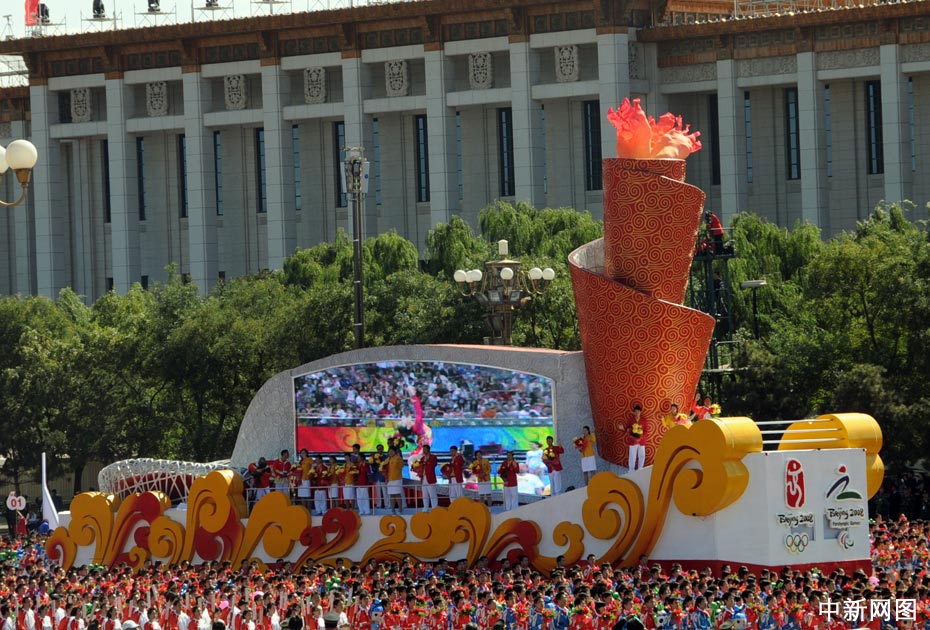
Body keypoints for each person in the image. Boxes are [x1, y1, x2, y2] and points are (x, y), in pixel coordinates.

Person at [414, 444, 438, 511]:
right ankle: (425, 508)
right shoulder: (422, 458)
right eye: (423, 449)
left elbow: (433, 465)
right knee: (425, 494)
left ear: (428, 449)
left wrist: (426, 462)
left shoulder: (433, 457)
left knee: (432, 494)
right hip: (423, 478)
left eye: (425, 449)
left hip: (430, 478)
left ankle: (434, 508)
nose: (424, 451)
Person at [382, 446, 405, 515]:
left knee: (397, 494)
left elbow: (402, 466)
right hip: (390, 479)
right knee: (391, 495)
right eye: (389, 451)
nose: (390, 452)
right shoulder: (388, 459)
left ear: (395, 452)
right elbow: (383, 467)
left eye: (392, 451)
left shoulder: (398, 458)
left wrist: (397, 462)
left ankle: (400, 510)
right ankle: (393, 510)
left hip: (397, 479)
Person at [628, 405, 647, 471]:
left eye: (638, 412)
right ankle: (631, 470)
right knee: (632, 456)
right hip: (633, 441)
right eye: (635, 412)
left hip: (641, 442)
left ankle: (640, 470)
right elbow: (628, 429)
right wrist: (632, 436)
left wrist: (641, 437)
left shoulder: (644, 421)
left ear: (640, 412)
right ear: (633, 412)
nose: (637, 413)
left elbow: (646, 431)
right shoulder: (630, 420)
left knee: (642, 456)